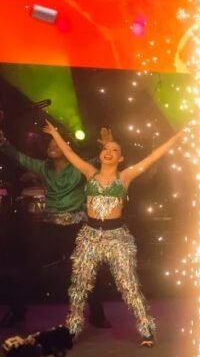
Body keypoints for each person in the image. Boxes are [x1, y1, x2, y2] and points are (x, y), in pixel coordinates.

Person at [43, 121, 181, 344]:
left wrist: (177, 136)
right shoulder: (89, 173)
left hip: (117, 238)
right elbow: (68, 153)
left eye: (114, 150)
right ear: (100, 153)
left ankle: (146, 329)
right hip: (89, 237)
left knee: (129, 285)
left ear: (121, 158)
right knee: (79, 285)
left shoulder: (124, 177)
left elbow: (153, 156)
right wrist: (55, 134)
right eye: (106, 149)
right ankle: (72, 328)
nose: (109, 152)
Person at [0, 129, 107, 328]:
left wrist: (107, 147)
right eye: (50, 145)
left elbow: (100, 161)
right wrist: (3, 142)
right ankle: (17, 312)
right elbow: (19, 157)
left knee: (89, 269)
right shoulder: (43, 168)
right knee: (30, 269)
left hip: (76, 228)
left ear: (67, 148)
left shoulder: (78, 167)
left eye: (57, 144)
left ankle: (98, 314)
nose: (52, 147)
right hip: (49, 228)